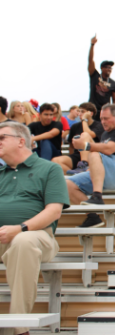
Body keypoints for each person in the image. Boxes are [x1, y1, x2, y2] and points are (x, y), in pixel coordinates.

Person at [0, 122, 70, 335]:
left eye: (2, 137)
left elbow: (54, 211)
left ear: (21, 141)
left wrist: (19, 229)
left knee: (23, 241)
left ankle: (20, 329)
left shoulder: (49, 168)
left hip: (38, 237)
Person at [67, 105, 115, 228]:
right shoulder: (105, 135)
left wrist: (85, 145)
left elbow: (108, 149)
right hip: (107, 174)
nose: (103, 122)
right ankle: (93, 217)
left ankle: (97, 196)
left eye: (106, 118)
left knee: (94, 153)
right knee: (67, 184)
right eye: (101, 118)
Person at [52, 102, 104, 175]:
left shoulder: (99, 125)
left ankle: (84, 164)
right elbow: (71, 146)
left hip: (93, 154)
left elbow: (90, 134)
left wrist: (84, 120)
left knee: (84, 135)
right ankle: (78, 174)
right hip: (78, 155)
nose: (80, 114)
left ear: (90, 114)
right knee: (55, 161)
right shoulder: (75, 126)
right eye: (79, 111)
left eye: (83, 112)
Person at [88, 35, 115, 121]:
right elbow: (90, 60)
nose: (109, 69)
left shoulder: (113, 83)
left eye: (110, 68)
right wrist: (92, 45)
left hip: (104, 110)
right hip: (93, 109)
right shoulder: (95, 75)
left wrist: (113, 110)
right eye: (107, 67)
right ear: (102, 68)